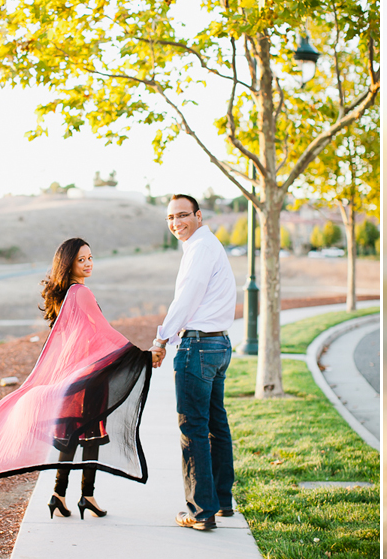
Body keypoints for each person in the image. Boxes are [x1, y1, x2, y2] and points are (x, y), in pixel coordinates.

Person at [0, 238, 152, 521]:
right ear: (68, 263)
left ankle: (58, 494)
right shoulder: (81, 293)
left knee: (71, 437)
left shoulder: (64, 294)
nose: (89, 263)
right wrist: (139, 355)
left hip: (71, 377)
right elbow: (103, 332)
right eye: (82, 260)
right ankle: (87, 497)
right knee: (90, 435)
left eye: (91, 257)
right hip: (88, 377)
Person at [149, 193, 238, 531]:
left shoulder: (200, 248)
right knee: (216, 424)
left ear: (199, 215)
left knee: (194, 427)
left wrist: (161, 339)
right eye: (171, 218)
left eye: (183, 215)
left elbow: (187, 299)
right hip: (218, 344)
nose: (176, 223)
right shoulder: (207, 245)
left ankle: (201, 511)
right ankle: (221, 501)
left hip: (199, 347)